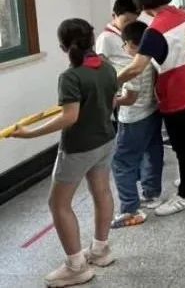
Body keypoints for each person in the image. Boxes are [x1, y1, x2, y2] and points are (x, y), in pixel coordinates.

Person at [10, 19, 118, 287]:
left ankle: (76, 267)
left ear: (62, 46)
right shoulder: (107, 67)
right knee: (102, 191)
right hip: (106, 139)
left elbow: (69, 117)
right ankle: (100, 250)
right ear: (92, 39)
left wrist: (29, 133)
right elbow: (112, 101)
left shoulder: (71, 76)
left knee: (58, 204)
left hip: (79, 148)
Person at [118, 0, 185, 217]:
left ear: (143, 4)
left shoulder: (155, 31)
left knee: (183, 145)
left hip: (179, 95)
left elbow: (136, 67)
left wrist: (111, 82)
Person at [110, 21, 164, 228]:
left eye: (124, 45)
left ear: (131, 44)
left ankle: (130, 209)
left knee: (121, 162)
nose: (124, 48)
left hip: (134, 119)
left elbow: (130, 98)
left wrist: (115, 100)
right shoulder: (151, 62)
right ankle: (152, 193)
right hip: (152, 112)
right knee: (152, 152)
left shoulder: (133, 68)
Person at [95, 0, 139, 68]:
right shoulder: (105, 38)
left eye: (134, 21)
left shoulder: (136, 32)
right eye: (126, 21)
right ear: (114, 16)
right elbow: (101, 63)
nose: (130, 25)